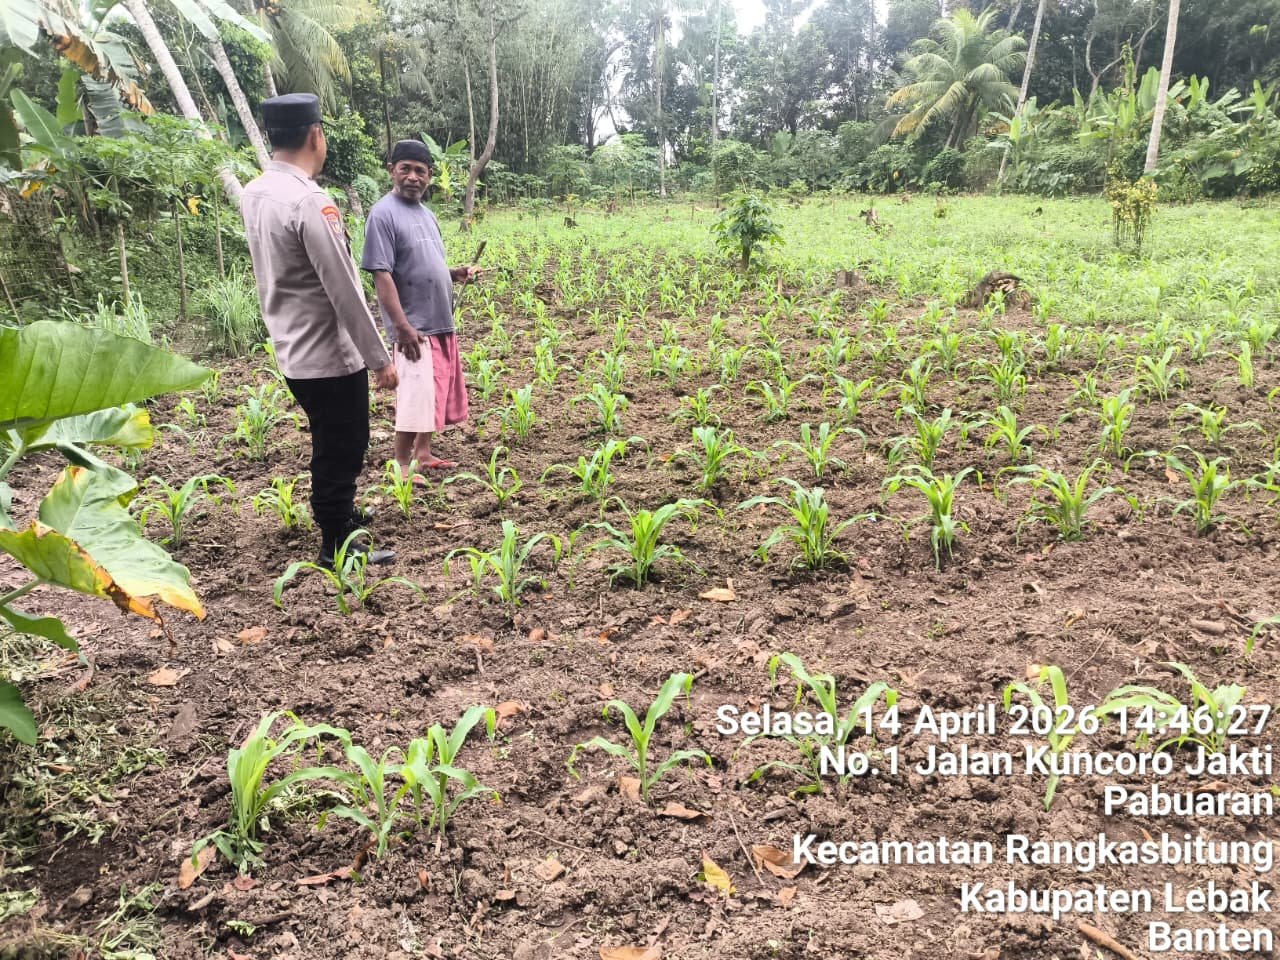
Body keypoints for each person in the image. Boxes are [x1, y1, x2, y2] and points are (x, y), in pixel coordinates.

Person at [241, 93, 398, 568]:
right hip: (329, 354)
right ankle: (337, 541)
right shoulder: (310, 201)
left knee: (331, 438)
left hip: (292, 348)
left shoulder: (256, 191)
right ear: (315, 135)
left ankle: (341, 512)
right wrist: (380, 359)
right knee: (343, 445)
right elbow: (344, 288)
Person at [361, 139, 479, 478]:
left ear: (429, 176)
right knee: (414, 393)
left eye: (421, 171)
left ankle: (423, 452)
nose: (413, 177)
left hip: (439, 318)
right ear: (391, 171)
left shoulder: (428, 215)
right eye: (406, 169)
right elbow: (382, 274)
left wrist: (454, 273)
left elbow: (427, 263)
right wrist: (401, 325)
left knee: (434, 387)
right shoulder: (382, 214)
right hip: (413, 323)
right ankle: (401, 462)